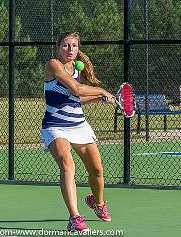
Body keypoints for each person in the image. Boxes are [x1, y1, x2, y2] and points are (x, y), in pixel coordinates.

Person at [41, 31, 114, 232]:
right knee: (67, 165)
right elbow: (76, 89)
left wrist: (99, 99)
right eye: (66, 45)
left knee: (97, 170)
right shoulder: (53, 64)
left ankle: (97, 203)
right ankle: (75, 217)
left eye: (74, 46)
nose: (70, 49)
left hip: (79, 125)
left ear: (78, 49)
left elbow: (76, 99)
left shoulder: (78, 69)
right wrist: (102, 91)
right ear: (58, 48)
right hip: (55, 125)